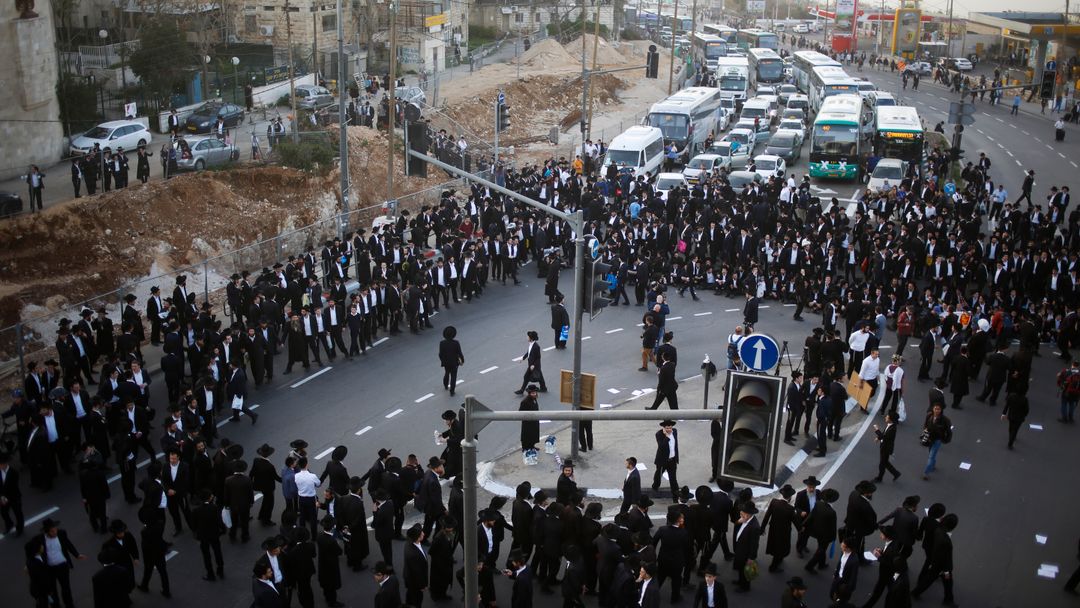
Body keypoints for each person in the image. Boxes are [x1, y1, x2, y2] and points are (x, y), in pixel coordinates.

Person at [32, 518, 86, 608]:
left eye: (55, 529)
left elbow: (68, 544)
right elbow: (32, 550)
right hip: (49, 568)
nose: (55, 532)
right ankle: (55, 605)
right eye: (52, 531)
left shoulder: (61, 533)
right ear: (47, 532)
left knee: (66, 587)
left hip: (63, 566)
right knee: (52, 589)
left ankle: (69, 604)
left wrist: (77, 555)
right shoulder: (40, 539)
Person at [910, 513, 958, 606]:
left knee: (930, 578)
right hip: (941, 566)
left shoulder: (938, 530)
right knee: (947, 582)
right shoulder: (946, 541)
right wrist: (947, 571)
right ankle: (948, 600)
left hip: (935, 562)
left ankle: (916, 592)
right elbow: (947, 558)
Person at [761, 484, 797, 572]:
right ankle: (773, 567)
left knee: (774, 545)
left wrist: (762, 528)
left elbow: (767, 516)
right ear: (790, 497)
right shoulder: (790, 509)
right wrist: (801, 529)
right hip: (784, 532)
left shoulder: (774, 502)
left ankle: (778, 560)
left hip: (773, 529)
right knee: (780, 548)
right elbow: (796, 522)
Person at [731, 501, 761, 592]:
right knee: (740, 568)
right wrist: (738, 521)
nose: (740, 513)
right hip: (740, 550)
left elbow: (754, 544)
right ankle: (740, 581)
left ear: (748, 514)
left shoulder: (754, 527)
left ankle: (745, 587)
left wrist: (751, 558)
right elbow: (737, 526)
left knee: (745, 571)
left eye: (742, 512)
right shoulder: (744, 519)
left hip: (746, 553)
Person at [921, 404, 952, 480]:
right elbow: (925, 424)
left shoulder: (945, 420)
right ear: (933, 409)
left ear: (941, 410)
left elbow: (949, 431)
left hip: (937, 440)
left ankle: (926, 473)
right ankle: (933, 465)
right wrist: (925, 429)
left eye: (938, 409)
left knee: (931, 456)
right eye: (935, 409)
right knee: (931, 453)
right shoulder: (929, 416)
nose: (937, 411)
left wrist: (946, 440)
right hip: (930, 438)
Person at [652, 420, 680, 500]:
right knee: (658, 475)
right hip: (662, 461)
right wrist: (667, 436)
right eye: (667, 428)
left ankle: (675, 497)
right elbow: (661, 446)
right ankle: (655, 487)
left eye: (670, 428)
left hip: (672, 460)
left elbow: (675, 445)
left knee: (673, 479)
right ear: (663, 428)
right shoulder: (659, 434)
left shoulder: (675, 431)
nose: (669, 430)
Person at [403, 524, 428, 608]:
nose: (424, 534)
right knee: (417, 600)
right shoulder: (413, 555)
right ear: (417, 538)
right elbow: (417, 573)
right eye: (421, 533)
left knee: (410, 597)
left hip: (410, 579)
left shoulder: (410, 543)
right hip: (414, 583)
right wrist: (422, 585)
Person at [0, 452, 25, 536]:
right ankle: (9, 524)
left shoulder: (13, 472)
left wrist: (5, 497)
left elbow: (13, 487)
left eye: (2, 464)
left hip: (14, 496)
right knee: (3, 512)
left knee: (18, 513)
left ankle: (20, 529)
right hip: (3, 497)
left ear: (5, 464)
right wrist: (1, 497)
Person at [873, 412, 901, 482]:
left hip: (886, 448)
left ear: (891, 419)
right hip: (884, 446)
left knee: (882, 464)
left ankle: (880, 478)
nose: (886, 417)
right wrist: (878, 438)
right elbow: (884, 433)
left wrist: (877, 429)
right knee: (885, 462)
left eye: (887, 417)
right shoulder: (890, 425)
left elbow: (884, 436)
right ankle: (896, 473)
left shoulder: (892, 429)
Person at [438, 326, 464, 395]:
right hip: (454, 362)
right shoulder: (456, 343)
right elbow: (460, 353)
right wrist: (462, 360)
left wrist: (442, 361)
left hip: (446, 362)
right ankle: (452, 391)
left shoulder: (442, 343)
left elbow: (440, 354)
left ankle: (446, 385)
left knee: (446, 373)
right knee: (453, 376)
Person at [518, 385, 540, 452]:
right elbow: (520, 412)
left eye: (535, 393)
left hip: (534, 420)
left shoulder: (534, 399)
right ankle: (525, 448)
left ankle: (532, 446)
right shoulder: (525, 402)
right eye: (532, 393)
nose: (534, 394)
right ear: (529, 393)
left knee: (534, 434)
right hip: (527, 422)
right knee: (527, 435)